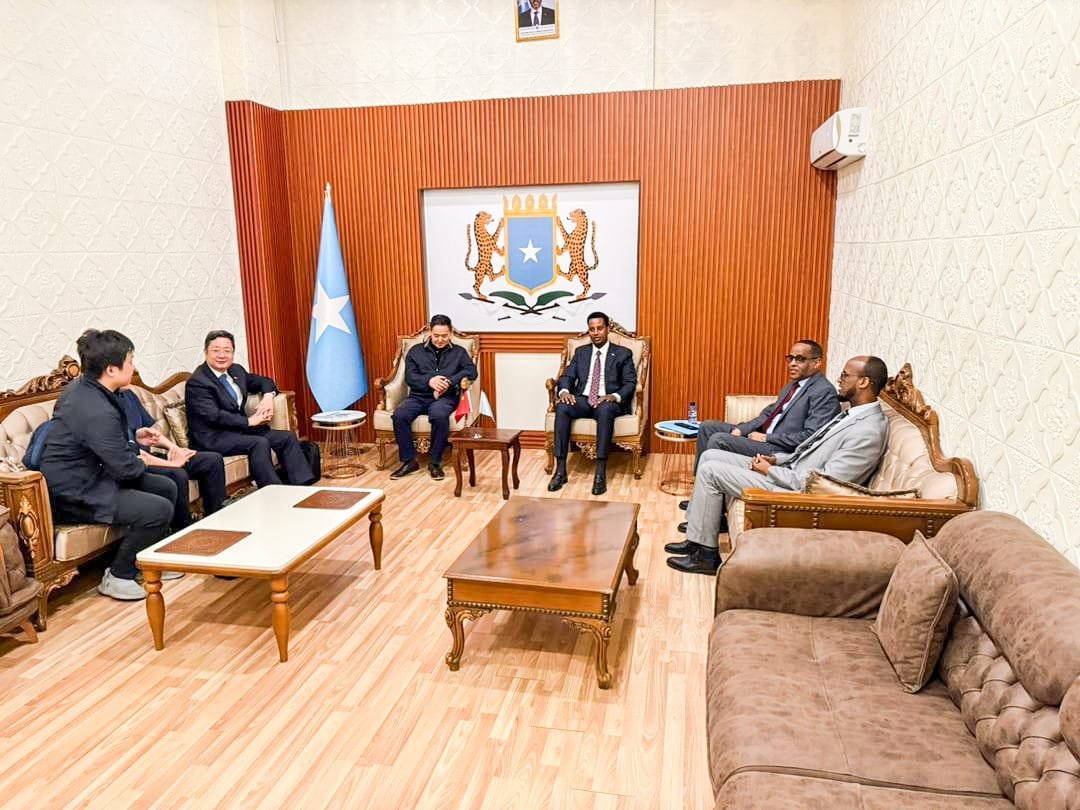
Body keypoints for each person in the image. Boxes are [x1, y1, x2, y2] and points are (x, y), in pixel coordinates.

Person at [666, 356, 890, 576]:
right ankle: (696, 539)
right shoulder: (852, 414)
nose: (839, 379)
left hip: (795, 492)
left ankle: (705, 556)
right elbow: (808, 449)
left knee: (711, 470)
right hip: (789, 469)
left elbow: (825, 483)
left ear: (863, 382)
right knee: (710, 456)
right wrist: (777, 460)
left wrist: (770, 471)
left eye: (845, 375)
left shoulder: (868, 431)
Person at [39, 330, 178, 601]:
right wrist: (144, 460)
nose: (133, 367)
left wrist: (135, 447)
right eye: (130, 361)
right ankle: (118, 575)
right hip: (74, 491)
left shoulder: (89, 388)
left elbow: (109, 445)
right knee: (158, 509)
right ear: (111, 369)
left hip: (95, 474)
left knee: (166, 486)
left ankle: (147, 561)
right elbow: (125, 468)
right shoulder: (94, 408)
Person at [672, 339, 839, 531]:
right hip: (763, 437)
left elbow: (810, 438)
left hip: (779, 449)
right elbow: (768, 413)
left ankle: (715, 514)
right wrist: (742, 430)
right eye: (790, 358)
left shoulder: (823, 392)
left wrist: (767, 438)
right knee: (708, 427)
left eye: (800, 359)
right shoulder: (793, 385)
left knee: (719, 440)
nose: (792, 363)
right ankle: (699, 496)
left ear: (817, 362)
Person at [185, 330, 314, 487]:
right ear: (206, 352)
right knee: (258, 443)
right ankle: (273, 492)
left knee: (286, 437)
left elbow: (265, 381)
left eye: (227, 351)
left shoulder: (235, 371)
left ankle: (303, 487)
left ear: (233, 353)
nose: (222, 355)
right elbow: (215, 416)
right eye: (216, 350)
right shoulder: (198, 382)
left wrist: (268, 397)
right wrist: (249, 421)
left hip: (238, 432)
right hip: (213, 437)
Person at [548, 312, 637, 496]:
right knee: (563, 406)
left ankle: (600, 473)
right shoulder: (581, 352)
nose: (595, 333)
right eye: (592, 329)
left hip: (607, 401)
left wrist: (614, 396)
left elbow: (630, 383)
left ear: (607, 329)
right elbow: (567, 376)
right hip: (584, 399)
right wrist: (564, 392)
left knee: (605, 409)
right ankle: (560, 471)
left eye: (599, 328)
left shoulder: (623, 353)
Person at [117, 387, 227, 529]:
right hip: (137, 464)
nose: (132, 373)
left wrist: (175, 449)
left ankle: (216, 521)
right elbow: (135, 456)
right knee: (177, 474)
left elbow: (150, 434)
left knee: (212, 460)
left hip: (150, 456)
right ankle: (182, 530)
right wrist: (173, 464)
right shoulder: (104, 405)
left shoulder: (128, 394)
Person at [391, 314, 478, 481]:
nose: (440, 340)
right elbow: (410, 377)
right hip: (418, 396)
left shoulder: (459, 352)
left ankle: (435, 462)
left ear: (450, 333)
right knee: (399, 415)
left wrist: (449, 381)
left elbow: (471, 371)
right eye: (436, 335)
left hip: (445, 398)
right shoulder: (415, 351)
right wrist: (429, 381)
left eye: (444, 336)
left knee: (439, 415)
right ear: (430, 332)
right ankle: (409, 461)